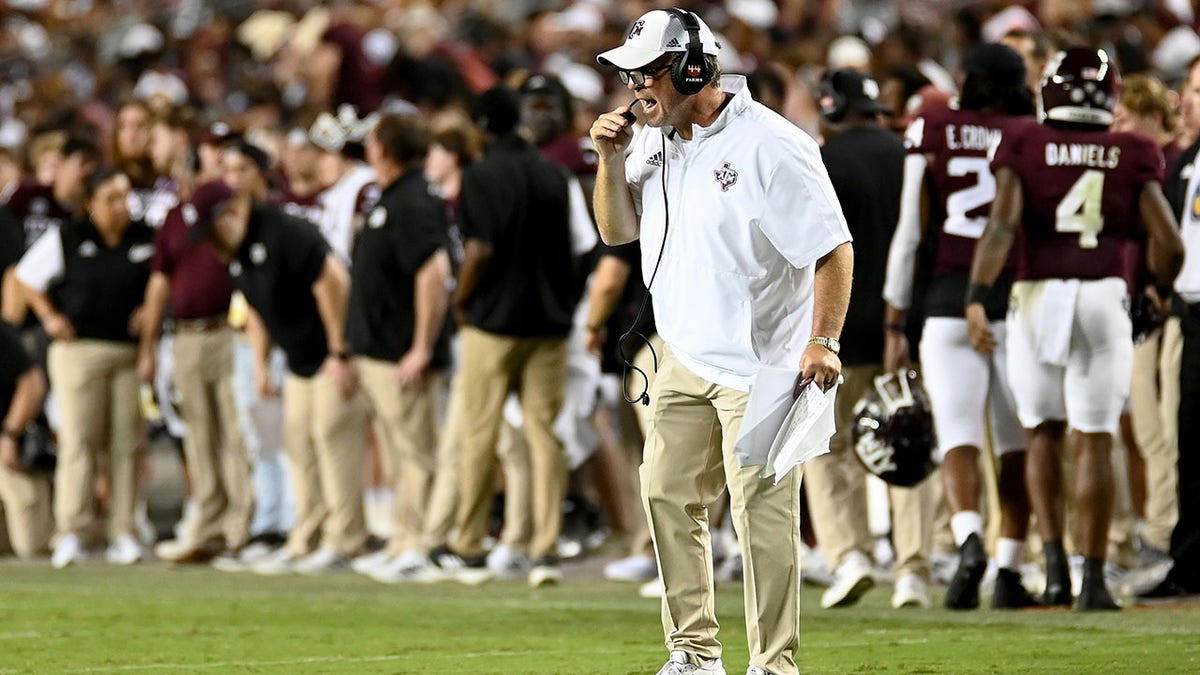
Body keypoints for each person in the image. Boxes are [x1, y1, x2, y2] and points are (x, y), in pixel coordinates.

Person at [591, 9, 852, 675]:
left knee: (761, 516)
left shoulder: (774, 143)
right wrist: (608, 161)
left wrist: (823, 339)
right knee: (664, 492)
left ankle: (773, 663)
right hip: (679, 348)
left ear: (692, 68)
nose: (634, 89)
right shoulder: (652, 137)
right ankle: (694, 652)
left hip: (765, 361)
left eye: (646, 72)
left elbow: (832, 248)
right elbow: (617, 231)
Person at [968, 47, 1184, 611]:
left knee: (1042, 431)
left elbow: (1002, 224)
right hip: (1101, 294)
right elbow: (1170, 242)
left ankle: (1056, 568)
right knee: (1095, 438)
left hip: (1036, 294)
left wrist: (975, 295)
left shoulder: (1026, 142)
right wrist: (1158, 289)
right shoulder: (1132, 150)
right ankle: (1092, 582)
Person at [882, 42, 1039, 610]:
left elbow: (910, 231)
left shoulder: (933, 125)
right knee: (1016, 441)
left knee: (958, 436)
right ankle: (1009, 566)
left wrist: (896, 318)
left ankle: (970, 537)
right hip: (1015, 296)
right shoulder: (1031, 130)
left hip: (947, 297)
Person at [444, 85, 595, 587]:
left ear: (483, 125)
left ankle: (467, 545)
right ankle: (545, 547)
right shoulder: (555, 174)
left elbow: (479, 249)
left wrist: (462, 300)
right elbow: (582, 247)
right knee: (544, 434)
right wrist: (563, 302)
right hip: (549, 325)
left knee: (478, 432)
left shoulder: (480, 175)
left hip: (493, 323)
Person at [188, 179, 368, 576]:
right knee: (300, 446)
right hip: (297, 360)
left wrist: (340, 350)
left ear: (231, 213)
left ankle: (346, 539)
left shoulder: (283, 230)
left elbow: (333, 281)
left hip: (328, 356)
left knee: (334, 443)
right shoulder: (235, 252)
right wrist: (261, 362)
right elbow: (253, 308)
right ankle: (307, 537)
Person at [806, 67, 937, 612]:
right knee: (908, 441)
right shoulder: (910, 156)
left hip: (836, 325)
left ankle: (850, 556)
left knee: (829, 448)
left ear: (832, 108)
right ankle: (913, 570)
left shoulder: (820, 160)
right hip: (906, 324)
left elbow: (808, 250)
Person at [15, 168, 156, 568]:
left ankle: (123, 530)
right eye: (110, 199)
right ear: (91, 202)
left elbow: (161, 282)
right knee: (79, 440)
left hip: (128, 352)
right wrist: (48, 316)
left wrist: (151, 310)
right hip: (79, 350)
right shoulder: (69, 236)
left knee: (128, 443)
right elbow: (26, 277)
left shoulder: (144, 237)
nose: (120, 207)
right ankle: (72, 531)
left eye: (124, 198)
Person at [342, 112, 453, 583]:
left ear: (384, 148)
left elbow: (433, 273)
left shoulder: (411, 199)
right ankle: (401, 539)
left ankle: (420, 543)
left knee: (416, 452)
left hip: (401, 352)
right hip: (380, 349)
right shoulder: (394, 195)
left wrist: (421, 347)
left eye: (372, 141)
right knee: (398, 451)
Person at [137, 177, 251, 564]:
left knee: (233, 432)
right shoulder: (172, 220)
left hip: (227, 331)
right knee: (199, 436)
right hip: (185, 336)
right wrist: (148, 347)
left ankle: (241, 525)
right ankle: (210, 522)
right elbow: (158, 282)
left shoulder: (224, 208)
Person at [0, 320, 53, 559]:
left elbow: (33, 384)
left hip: (10, 449)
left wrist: (10, 435)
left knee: (31, 546)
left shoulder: (3, 334)